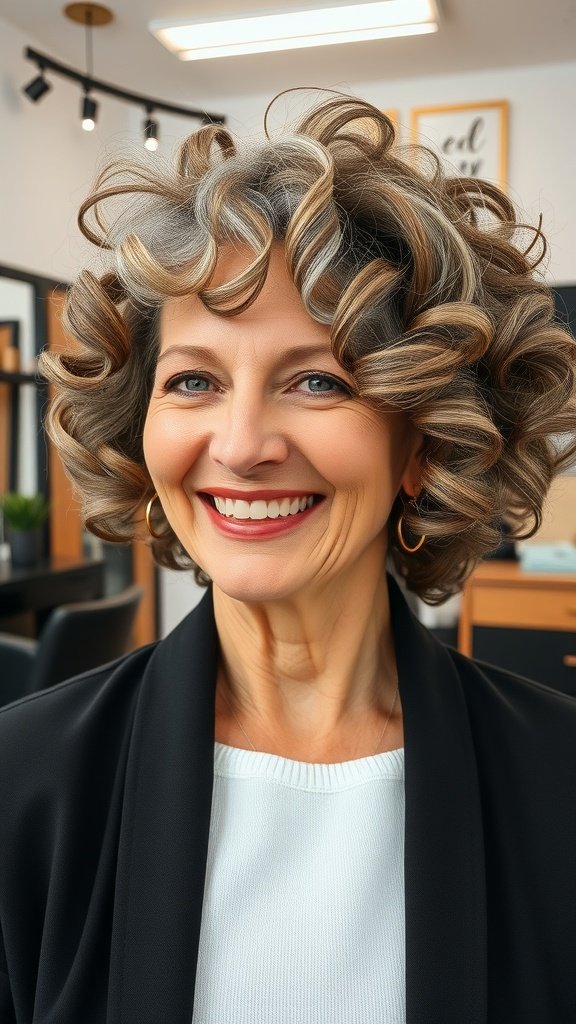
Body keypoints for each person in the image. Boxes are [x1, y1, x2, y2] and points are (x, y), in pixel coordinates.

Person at [1, 92, 575, 1024]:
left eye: (316, 380)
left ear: (424, 440)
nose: (240, 445)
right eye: (194, 379)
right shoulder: (22, 784)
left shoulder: (557, 780)